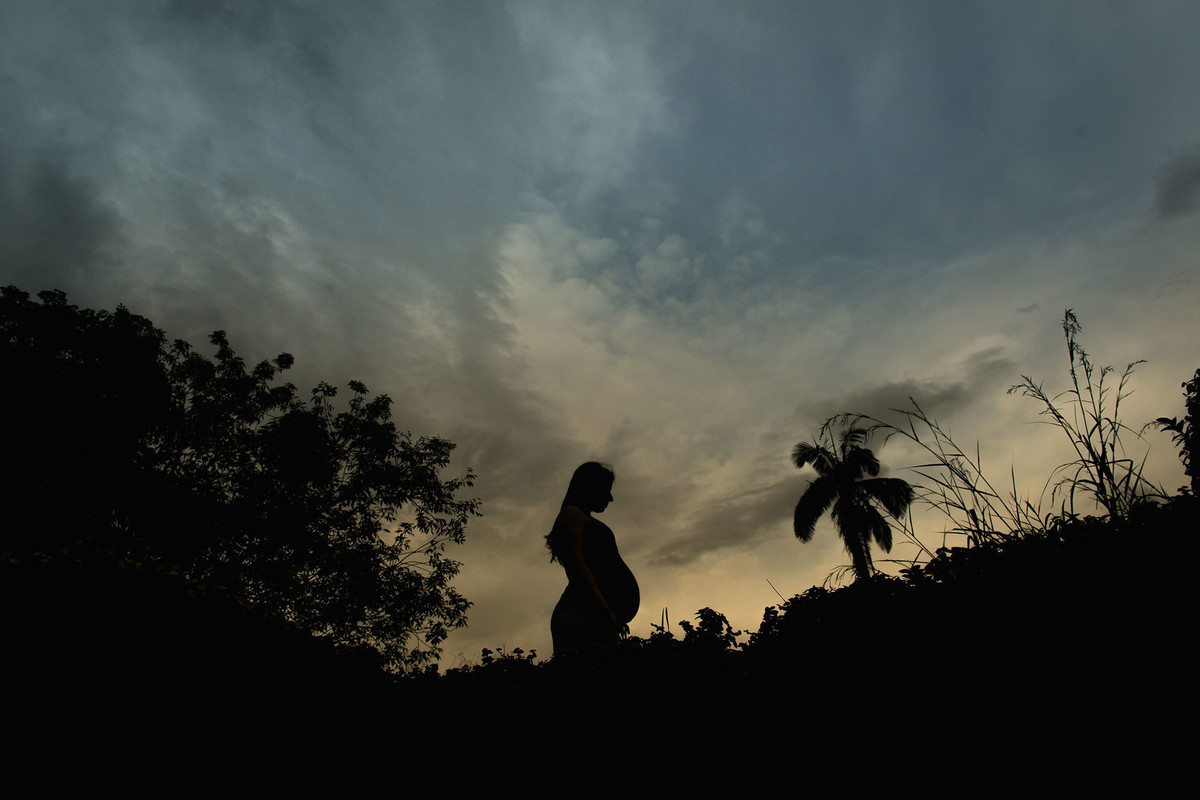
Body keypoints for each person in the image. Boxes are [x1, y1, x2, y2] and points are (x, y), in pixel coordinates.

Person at [546, 462, 639, 658]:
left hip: (592, 615)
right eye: (606, 490)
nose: (611, 498)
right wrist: (604, 611)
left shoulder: (581, 517)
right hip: (582, 614)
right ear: (591, 487)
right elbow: (577, 566)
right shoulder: (572, 514)